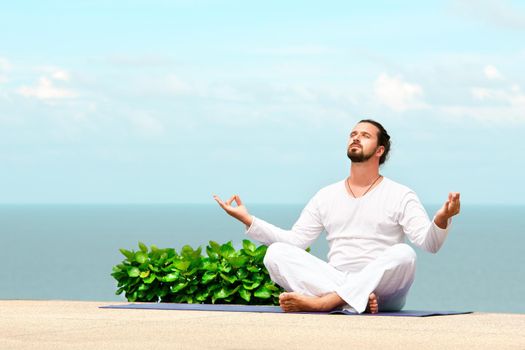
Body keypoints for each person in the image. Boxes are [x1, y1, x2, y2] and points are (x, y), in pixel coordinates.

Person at [214, 119, 460, 314]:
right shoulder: (326, 195)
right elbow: (296, 241)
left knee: (404, 254)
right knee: (276, 253)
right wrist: (247, 219)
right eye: (353, 133)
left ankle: (325, 303)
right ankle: (346, 300)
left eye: (365, 135)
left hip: (382, 293)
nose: (356, 137)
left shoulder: (401, 194)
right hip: (336, 279)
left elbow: (430, 244)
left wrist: (441, 218)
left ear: (380, 150)